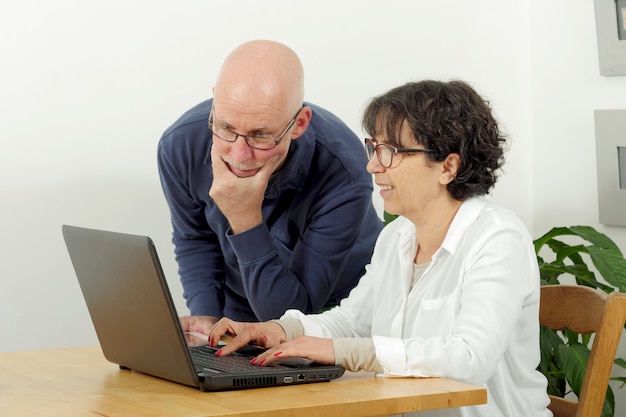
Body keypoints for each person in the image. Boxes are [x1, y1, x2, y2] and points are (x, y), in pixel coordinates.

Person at [184, 80, 552, 417]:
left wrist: (344, 353)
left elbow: (470, 357)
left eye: (390, 151)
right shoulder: (397, 238)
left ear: (448, 166)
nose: (372, 165)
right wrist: (280, 330)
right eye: (373, 148)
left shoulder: (497, 238)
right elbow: (350, 321)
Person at [157, 40, 383, 327]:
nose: (239, 154)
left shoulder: (346, 174)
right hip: (241, 307)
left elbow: (292, 315)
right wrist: (206, 317)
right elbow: (195, 238)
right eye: (226, 127)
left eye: (261, 135)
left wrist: (244, 218)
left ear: (299, 124)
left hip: (336, 315)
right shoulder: (179, 145)